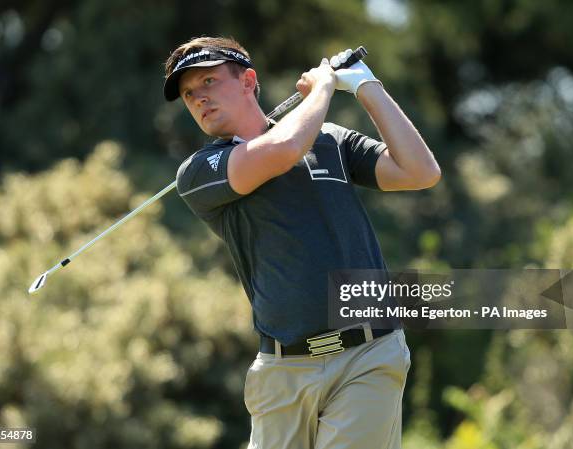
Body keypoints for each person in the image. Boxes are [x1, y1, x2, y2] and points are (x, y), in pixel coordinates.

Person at [163, 36, 441, 449]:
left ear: (247, 81)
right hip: (282, 370)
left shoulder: (331, 141)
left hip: (368, 354)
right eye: (188, 93)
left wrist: (368, 87)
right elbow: (285, 149)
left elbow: (421, 171)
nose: (199, 98)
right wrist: (325, 87)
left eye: (208, 81)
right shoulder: (201, 172)